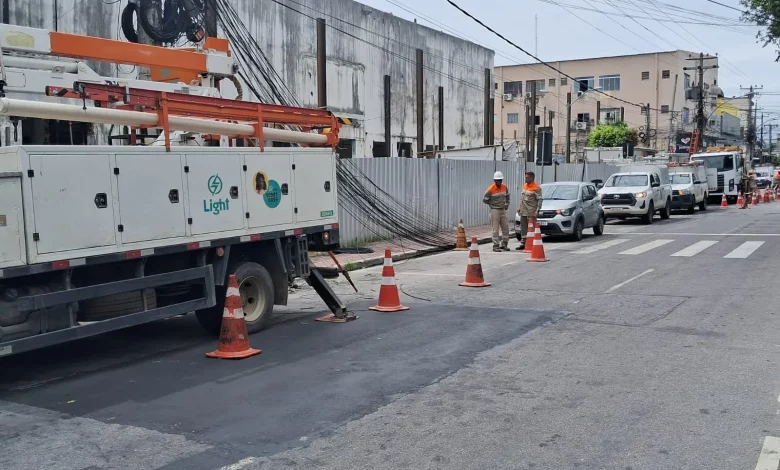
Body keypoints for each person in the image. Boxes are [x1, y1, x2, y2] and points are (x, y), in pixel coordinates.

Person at [482, 171, 511, 252]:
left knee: (505, 227)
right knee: (495, 229)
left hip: (502, 209)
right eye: (497, 180)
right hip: (494, 210)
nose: (499, 182)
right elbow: (485, 200)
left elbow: (508, 197)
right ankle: (496, 245)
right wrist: (492, 205)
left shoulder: (505, 187)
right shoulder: (490, 189)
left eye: (500, 180)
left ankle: (504, 244)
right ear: (494, 180)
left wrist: (507, 204)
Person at [516, 171, 543, 250]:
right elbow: (522, 199)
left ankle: (533, 243)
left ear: (532, 178)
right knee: (523, 228)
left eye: (527, 178)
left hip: (531, 212)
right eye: (525, 177)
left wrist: (537, 211)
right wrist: (519, 208)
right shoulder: (525, 186)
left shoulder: (536, 188)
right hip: (523, 211)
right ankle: (523, 243)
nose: (526, 179)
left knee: (531, 228)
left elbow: (540, 200)